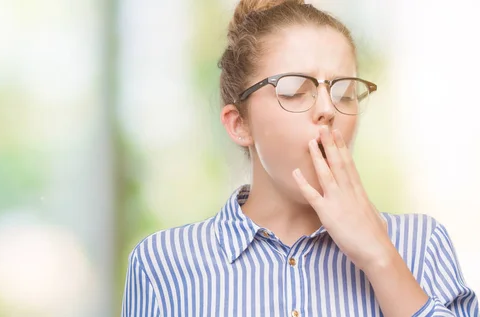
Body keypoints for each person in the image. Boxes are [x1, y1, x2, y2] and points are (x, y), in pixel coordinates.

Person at [121, 0, 478, 316]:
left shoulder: (420, 243)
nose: (327, 109)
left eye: (344, 92)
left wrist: (379, 255)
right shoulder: (161, 264)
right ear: (239, 124)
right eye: (294, 91)